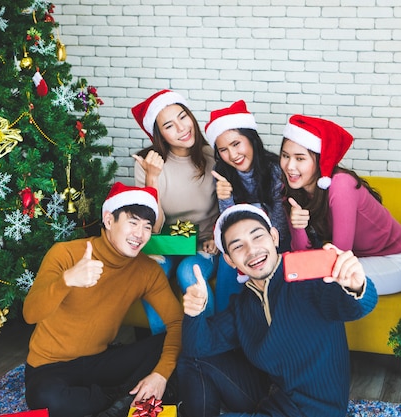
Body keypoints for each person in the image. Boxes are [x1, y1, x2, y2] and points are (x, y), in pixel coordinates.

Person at [177, 204, 378, 417]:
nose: (252, 250)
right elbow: (196, 349)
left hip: (314, 410)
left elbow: (356, 306)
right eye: (238, 247)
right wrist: (194, 312)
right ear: (229, 259)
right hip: (273, 397)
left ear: (273, 236)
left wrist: (356, 284)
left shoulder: (308, 279)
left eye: (257, 237)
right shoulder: (243, 304)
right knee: (193, 360)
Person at [23, 182, 183, 417]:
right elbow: (30, 314)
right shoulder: (65, 254)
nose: (140, 234)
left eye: (147, 227)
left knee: (170, 348)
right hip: (50, 365)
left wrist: (160, 374)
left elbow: (176, 322)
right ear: (109, 220)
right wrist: (67, 280)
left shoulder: (147, 270)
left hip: (100, 360)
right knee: (47, 400)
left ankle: (115, 400)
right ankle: (120, 399)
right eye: (133, 222)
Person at [280, 114, 401, 295]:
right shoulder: (291, 190)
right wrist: (297, 226)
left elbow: (340, 256)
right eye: (285, 156)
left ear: (320, 160)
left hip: (396, 261)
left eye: (300, 158)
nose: (290, 166)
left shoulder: (341, 185)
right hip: (359, 259)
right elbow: (300, 256)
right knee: (296, 277)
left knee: (330, 282)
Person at [131, 89, 220, 328]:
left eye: (183, 117)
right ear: (159, 134)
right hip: (167, 242)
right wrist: (152, 179)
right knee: (151, 272)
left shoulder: (213, 156)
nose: (182, 128)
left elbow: (229, 205)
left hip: (205, 243)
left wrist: (217, 236)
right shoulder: (148, 163)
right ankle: (163, 349)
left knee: (189, 273)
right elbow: (155, 226)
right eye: (169, 126)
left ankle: (209, 347)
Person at [204, 99, 289, 311]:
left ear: (251, 139)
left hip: (276, 240)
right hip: (242, 243)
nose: (232, 155)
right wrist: (225, 198)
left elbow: (278, 227)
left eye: (236, 144)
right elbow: (229, 229)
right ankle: (225, 328)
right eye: (223, 149)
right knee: (228, 259)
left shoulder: (275, 169)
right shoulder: (221, 173)